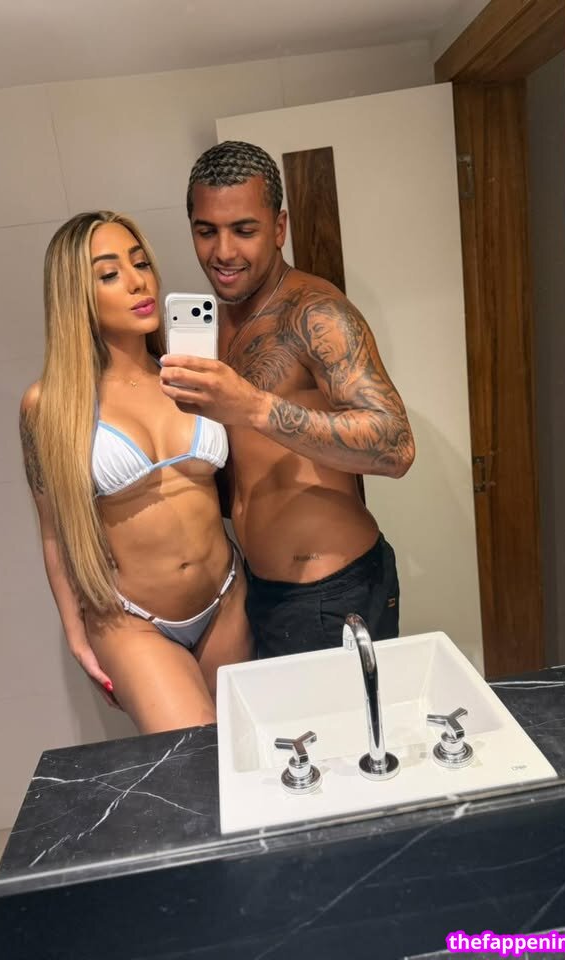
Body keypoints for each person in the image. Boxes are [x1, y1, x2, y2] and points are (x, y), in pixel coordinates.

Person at [159, 141, 415, 659]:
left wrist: (253, 407)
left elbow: (396, 446)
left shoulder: (314, 313)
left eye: (244, 230)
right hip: (260, 590)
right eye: (206, 231)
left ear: (279, 228)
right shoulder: (215, 322)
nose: (223, 252)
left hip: (331, 594)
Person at [19, 211, 252, 734]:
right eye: (109, 273)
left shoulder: (194, 375)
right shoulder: (49, 406)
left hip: (228, 599)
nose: (137, 282)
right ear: (75, 295)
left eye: (141, 263)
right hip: (133, 621)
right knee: (194, 764)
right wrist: (76, 634)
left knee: (246, 759)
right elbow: (54, 532)